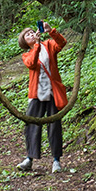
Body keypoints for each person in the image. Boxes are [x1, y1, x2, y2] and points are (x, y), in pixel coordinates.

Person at [16, 24, 68, 173]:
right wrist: (37, 44)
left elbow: (62, 43)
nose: (31, 34)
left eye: (32, 32)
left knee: (54, 125)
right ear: (25, 42)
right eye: (27, 35)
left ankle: (56, 161)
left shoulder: (49, 45)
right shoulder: (27, 55)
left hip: (52, 92)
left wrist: (51, 30)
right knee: (32, 125)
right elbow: (32, 63)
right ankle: (29, 159)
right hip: (36, 94)